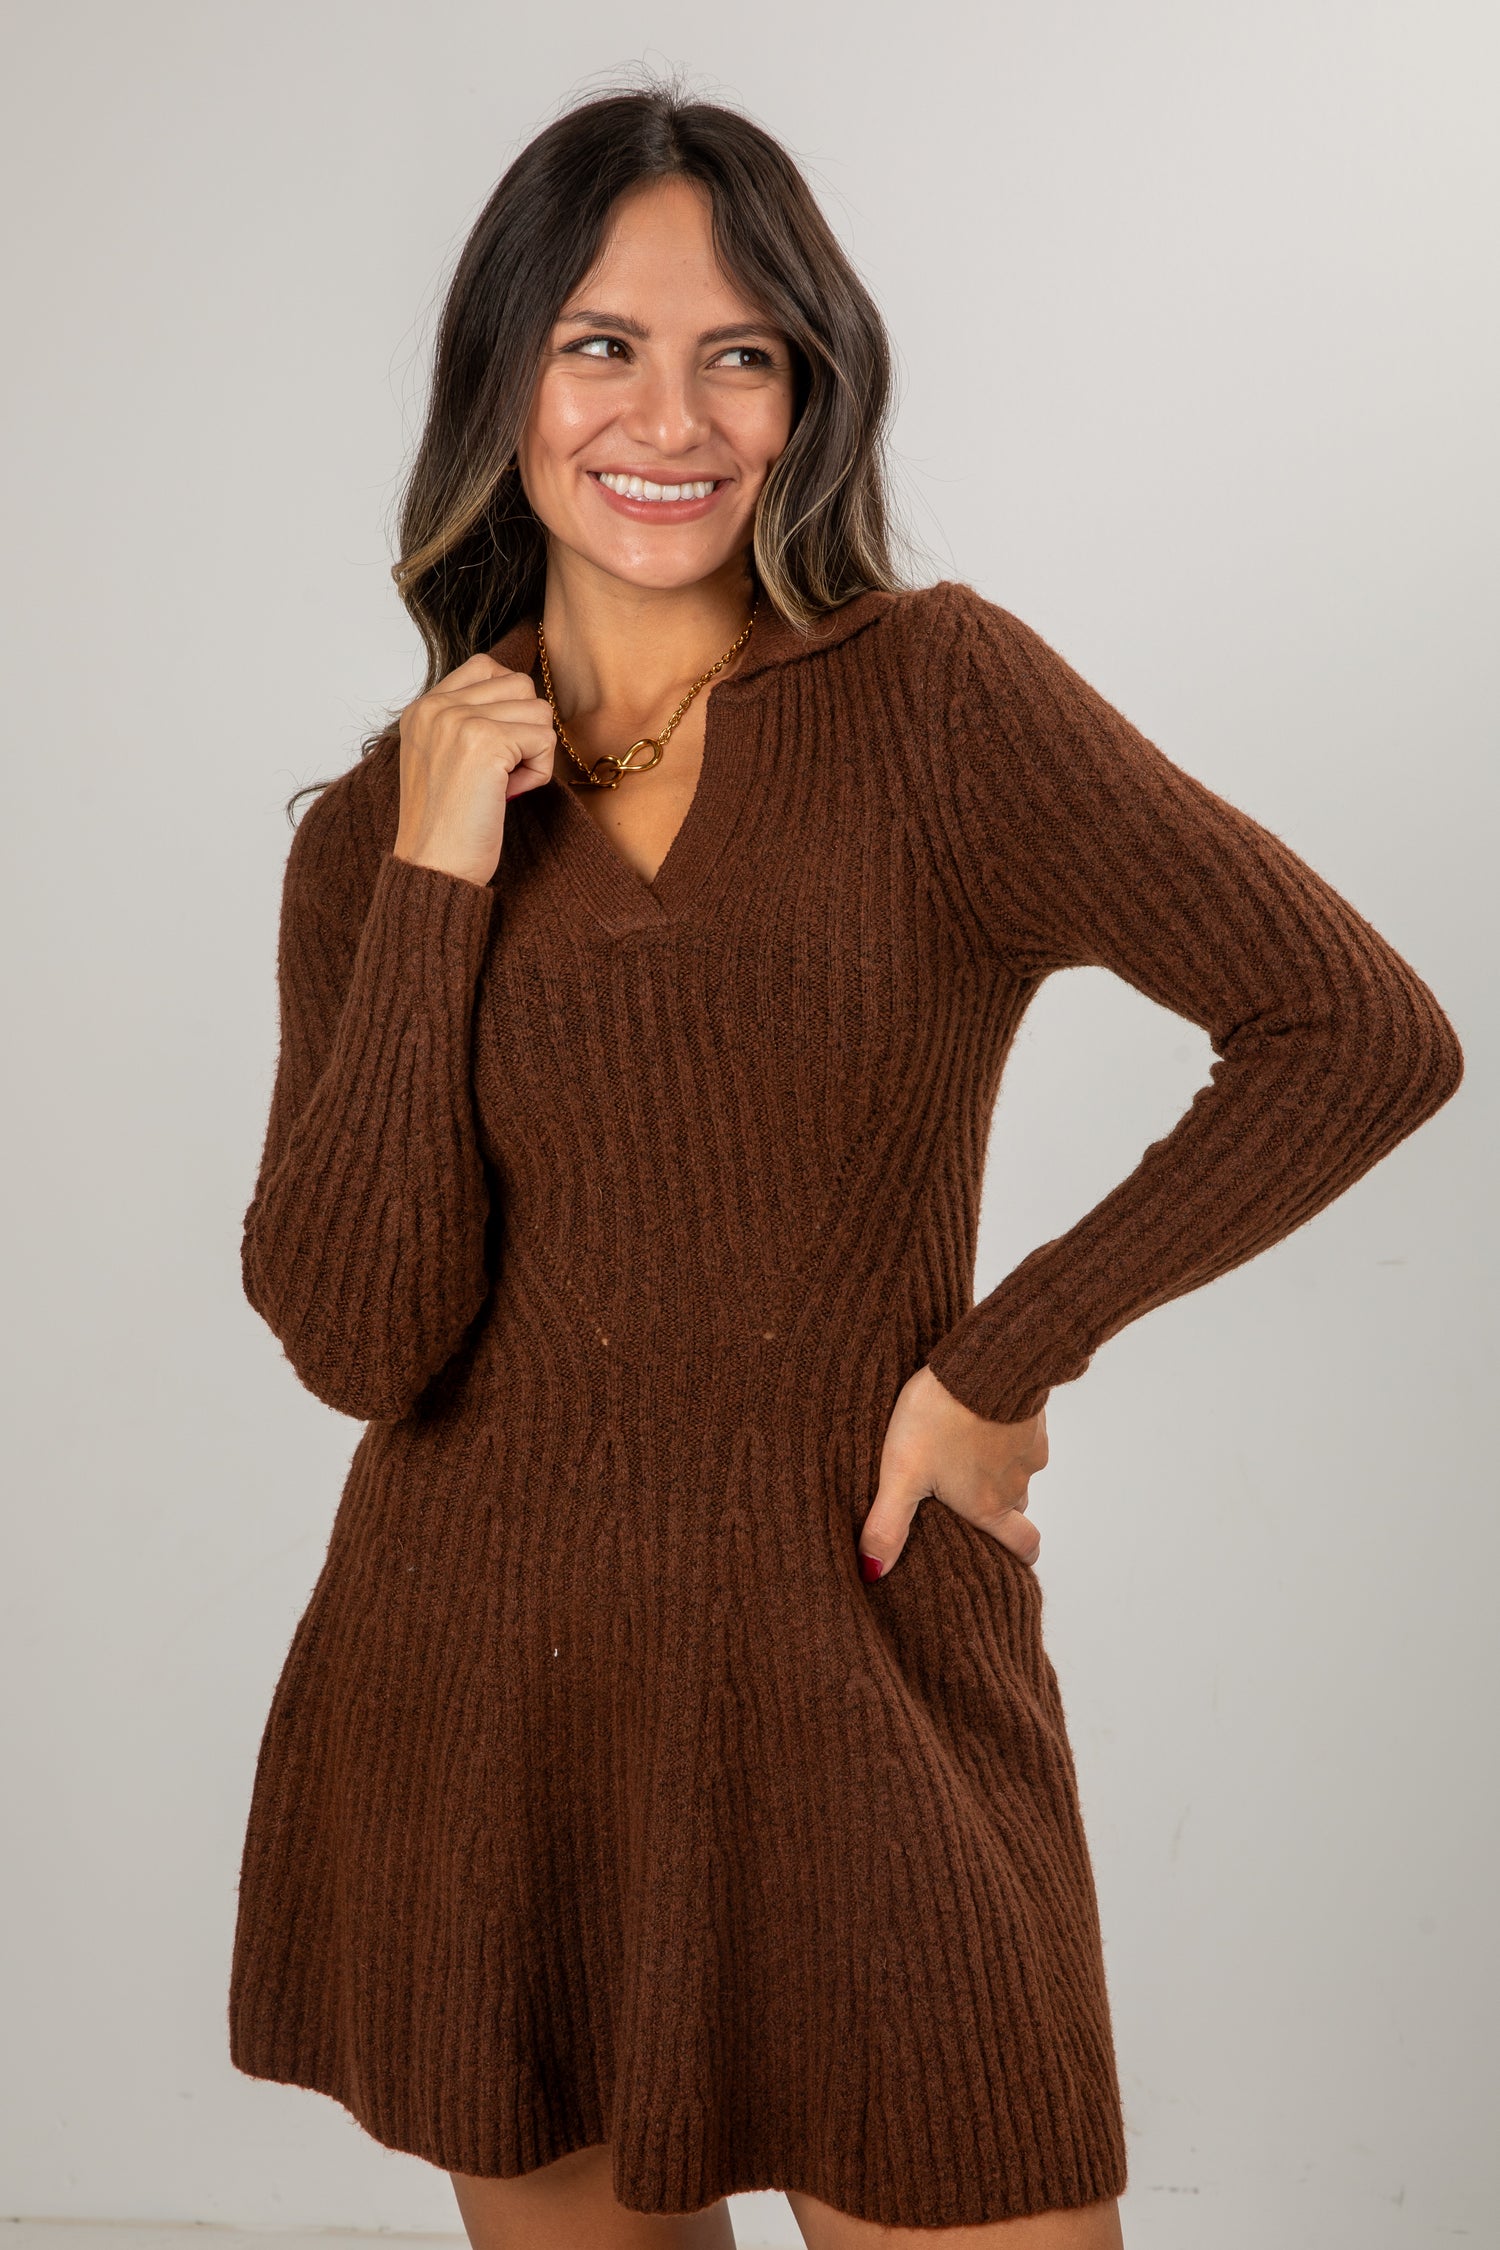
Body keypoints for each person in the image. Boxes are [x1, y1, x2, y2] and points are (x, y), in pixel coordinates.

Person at [226, 82, 1464, 2250]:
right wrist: (436, 863)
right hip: (478, 1703)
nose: (673, 413)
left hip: (858, 1666)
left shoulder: (939, 700)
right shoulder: (371, 836)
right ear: (500, 380)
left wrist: (1007, 1357)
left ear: (812, 392)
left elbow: (1357, 1032)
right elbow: (359, 1334)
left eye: (743, 353)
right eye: (602, 342)